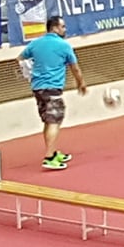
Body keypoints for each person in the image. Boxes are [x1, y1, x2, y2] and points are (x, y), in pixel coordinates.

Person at [19, 15, 86, 171]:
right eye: (63, 26)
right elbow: (75, 67)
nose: (65, 29)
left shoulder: (35, 44)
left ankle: (54, 152)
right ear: (55, 28)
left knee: (49, 121)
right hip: (52, 89)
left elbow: (21, 58)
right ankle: (49, 157)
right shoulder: (64, 46)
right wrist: (81, 83)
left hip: (38, 88)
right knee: (54, 122)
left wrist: (29, 74)